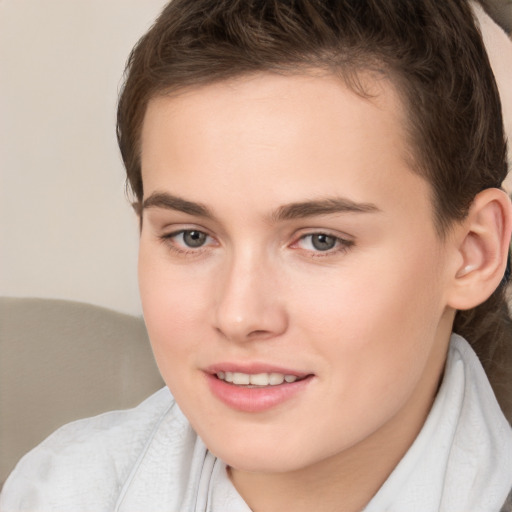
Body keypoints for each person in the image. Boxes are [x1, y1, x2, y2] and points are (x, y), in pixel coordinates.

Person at [1, 0, 512, 510]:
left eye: (320, 240)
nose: (239, 315)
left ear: (474, 253)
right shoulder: (58, 491)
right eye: (191, 237)